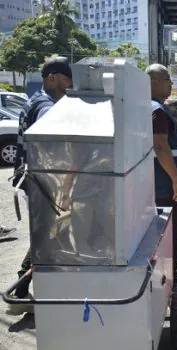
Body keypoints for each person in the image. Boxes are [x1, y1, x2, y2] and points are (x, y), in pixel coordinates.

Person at [7, 57, 73, 316]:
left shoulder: (37, 102)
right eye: (67, 80)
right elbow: (55, 130)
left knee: (48, 235)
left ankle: (25, 290)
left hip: (39, 181)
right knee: (45, 238)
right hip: (40, 182)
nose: (69, 86)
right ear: (52, 77)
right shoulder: (45, 105)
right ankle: (19, 293)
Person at [146, 64, 177, 290]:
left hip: (164, 184)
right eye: (167, 80)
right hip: (167, 186)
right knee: (171, 233)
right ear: (155, 82)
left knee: (168, 233)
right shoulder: (156, 111)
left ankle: (168, 276)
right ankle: (170, 282)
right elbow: (161, 147)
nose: (171, 84)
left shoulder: (155, 108)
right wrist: (176, 179)